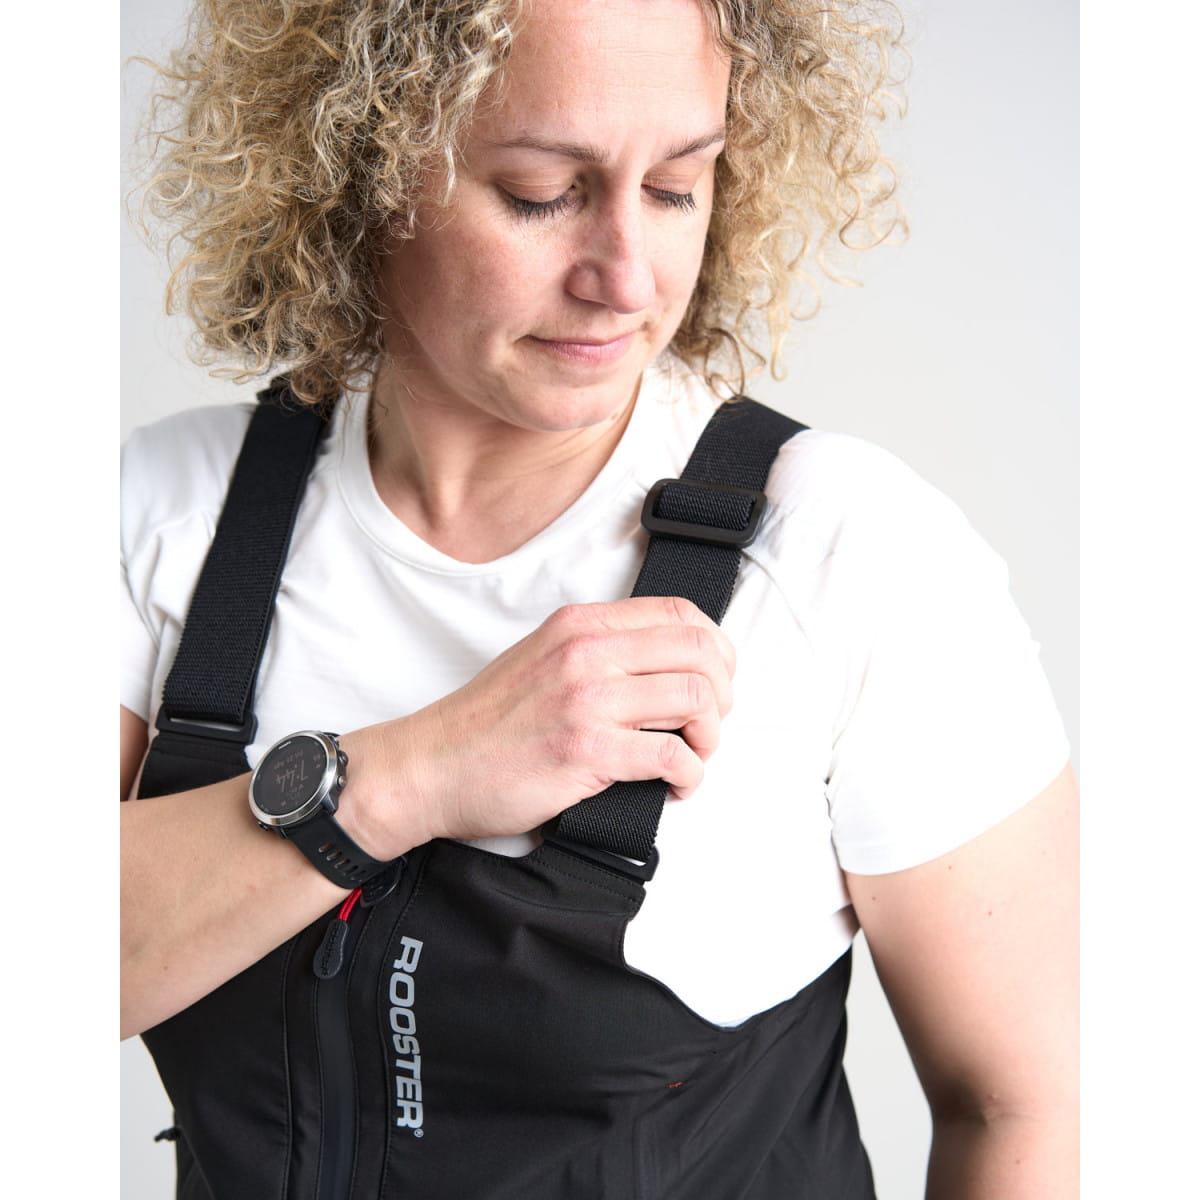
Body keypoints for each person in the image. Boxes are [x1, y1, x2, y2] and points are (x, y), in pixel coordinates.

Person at [121, 0, 1079, 1196]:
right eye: (540, 194)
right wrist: (417, 772)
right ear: (356, 166)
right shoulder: (169, 517)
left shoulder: (849, 553)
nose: (626, 277)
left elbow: (1033, 1105)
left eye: (677, 187)